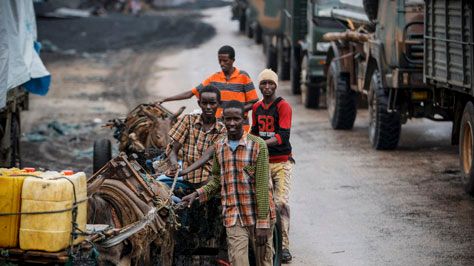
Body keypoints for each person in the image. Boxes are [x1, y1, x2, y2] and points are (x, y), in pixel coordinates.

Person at [182, 101, 276, 266]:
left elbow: (262, 186)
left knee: (264, 262)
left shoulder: (258, 145)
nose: (232, 123)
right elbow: (217, 180)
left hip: (258, 215)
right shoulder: (219, 147)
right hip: (234, 217)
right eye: (228, 119)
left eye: (236, 119)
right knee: (238, 262)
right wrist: (197, 194)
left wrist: (263, 222)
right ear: (223, 120)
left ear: (244, 119)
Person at [157, 45, 258, 131]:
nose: (222, 64)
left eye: (225, 61)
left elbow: (253, 102)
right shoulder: (214, 79)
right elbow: (191, 93)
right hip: (221, 126)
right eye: (220, 61)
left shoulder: (243, 76)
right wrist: (165, 99)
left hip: (241, 127)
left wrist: (236, 111)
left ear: (233, 60)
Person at [251, 69, 294, 263]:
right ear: (259, 86)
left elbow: (283, 136)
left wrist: (260, 144)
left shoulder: (283, 106)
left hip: (282, 162)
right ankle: (269, 242)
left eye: (271, 84)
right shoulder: (256, 108)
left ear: (276, 86)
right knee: (264, 203)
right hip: (264, 162)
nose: (267, 87)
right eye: (263, 84)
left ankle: (284, 246)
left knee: (281, 203)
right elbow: (254, 131)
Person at [166, 85, 226, 186]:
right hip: (186, 179)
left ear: (219, 104)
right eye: (204, 103)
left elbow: (206, 156)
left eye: (212, 103)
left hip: (208, 179)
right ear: (199, 103)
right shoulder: (187, 120)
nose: (208, 107)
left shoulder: (222, 130)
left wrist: (183, 172)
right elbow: (173, 150)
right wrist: (174, 164)